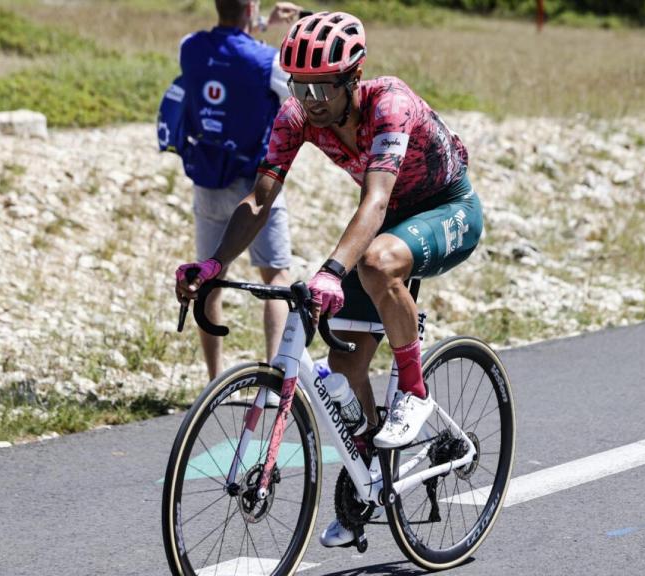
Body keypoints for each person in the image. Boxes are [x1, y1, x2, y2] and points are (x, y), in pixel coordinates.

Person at [174, 11, 483, 547]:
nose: (311, 100)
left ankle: (414, 391)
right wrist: (215, 265)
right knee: (344, 367)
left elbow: (377, 200)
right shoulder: (296, 116)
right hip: (386, 222)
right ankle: (371, 477)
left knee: (375, 262)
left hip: (446, 208)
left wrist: (331, 272)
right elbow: (260, 199)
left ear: (353, 79)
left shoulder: (389, 103)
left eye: (322, 88)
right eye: (301, 86)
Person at [159, 0, 302, 385]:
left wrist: (259, 23)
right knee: (276, 277)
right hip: (255, 186)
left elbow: (228, 42)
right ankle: (274, 380)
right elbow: (289, 91)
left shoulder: (190, 46)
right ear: (252, 6)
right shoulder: (268, 61)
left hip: (207, 180)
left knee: (209, 278)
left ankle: (214, 381)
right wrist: (273, 28)